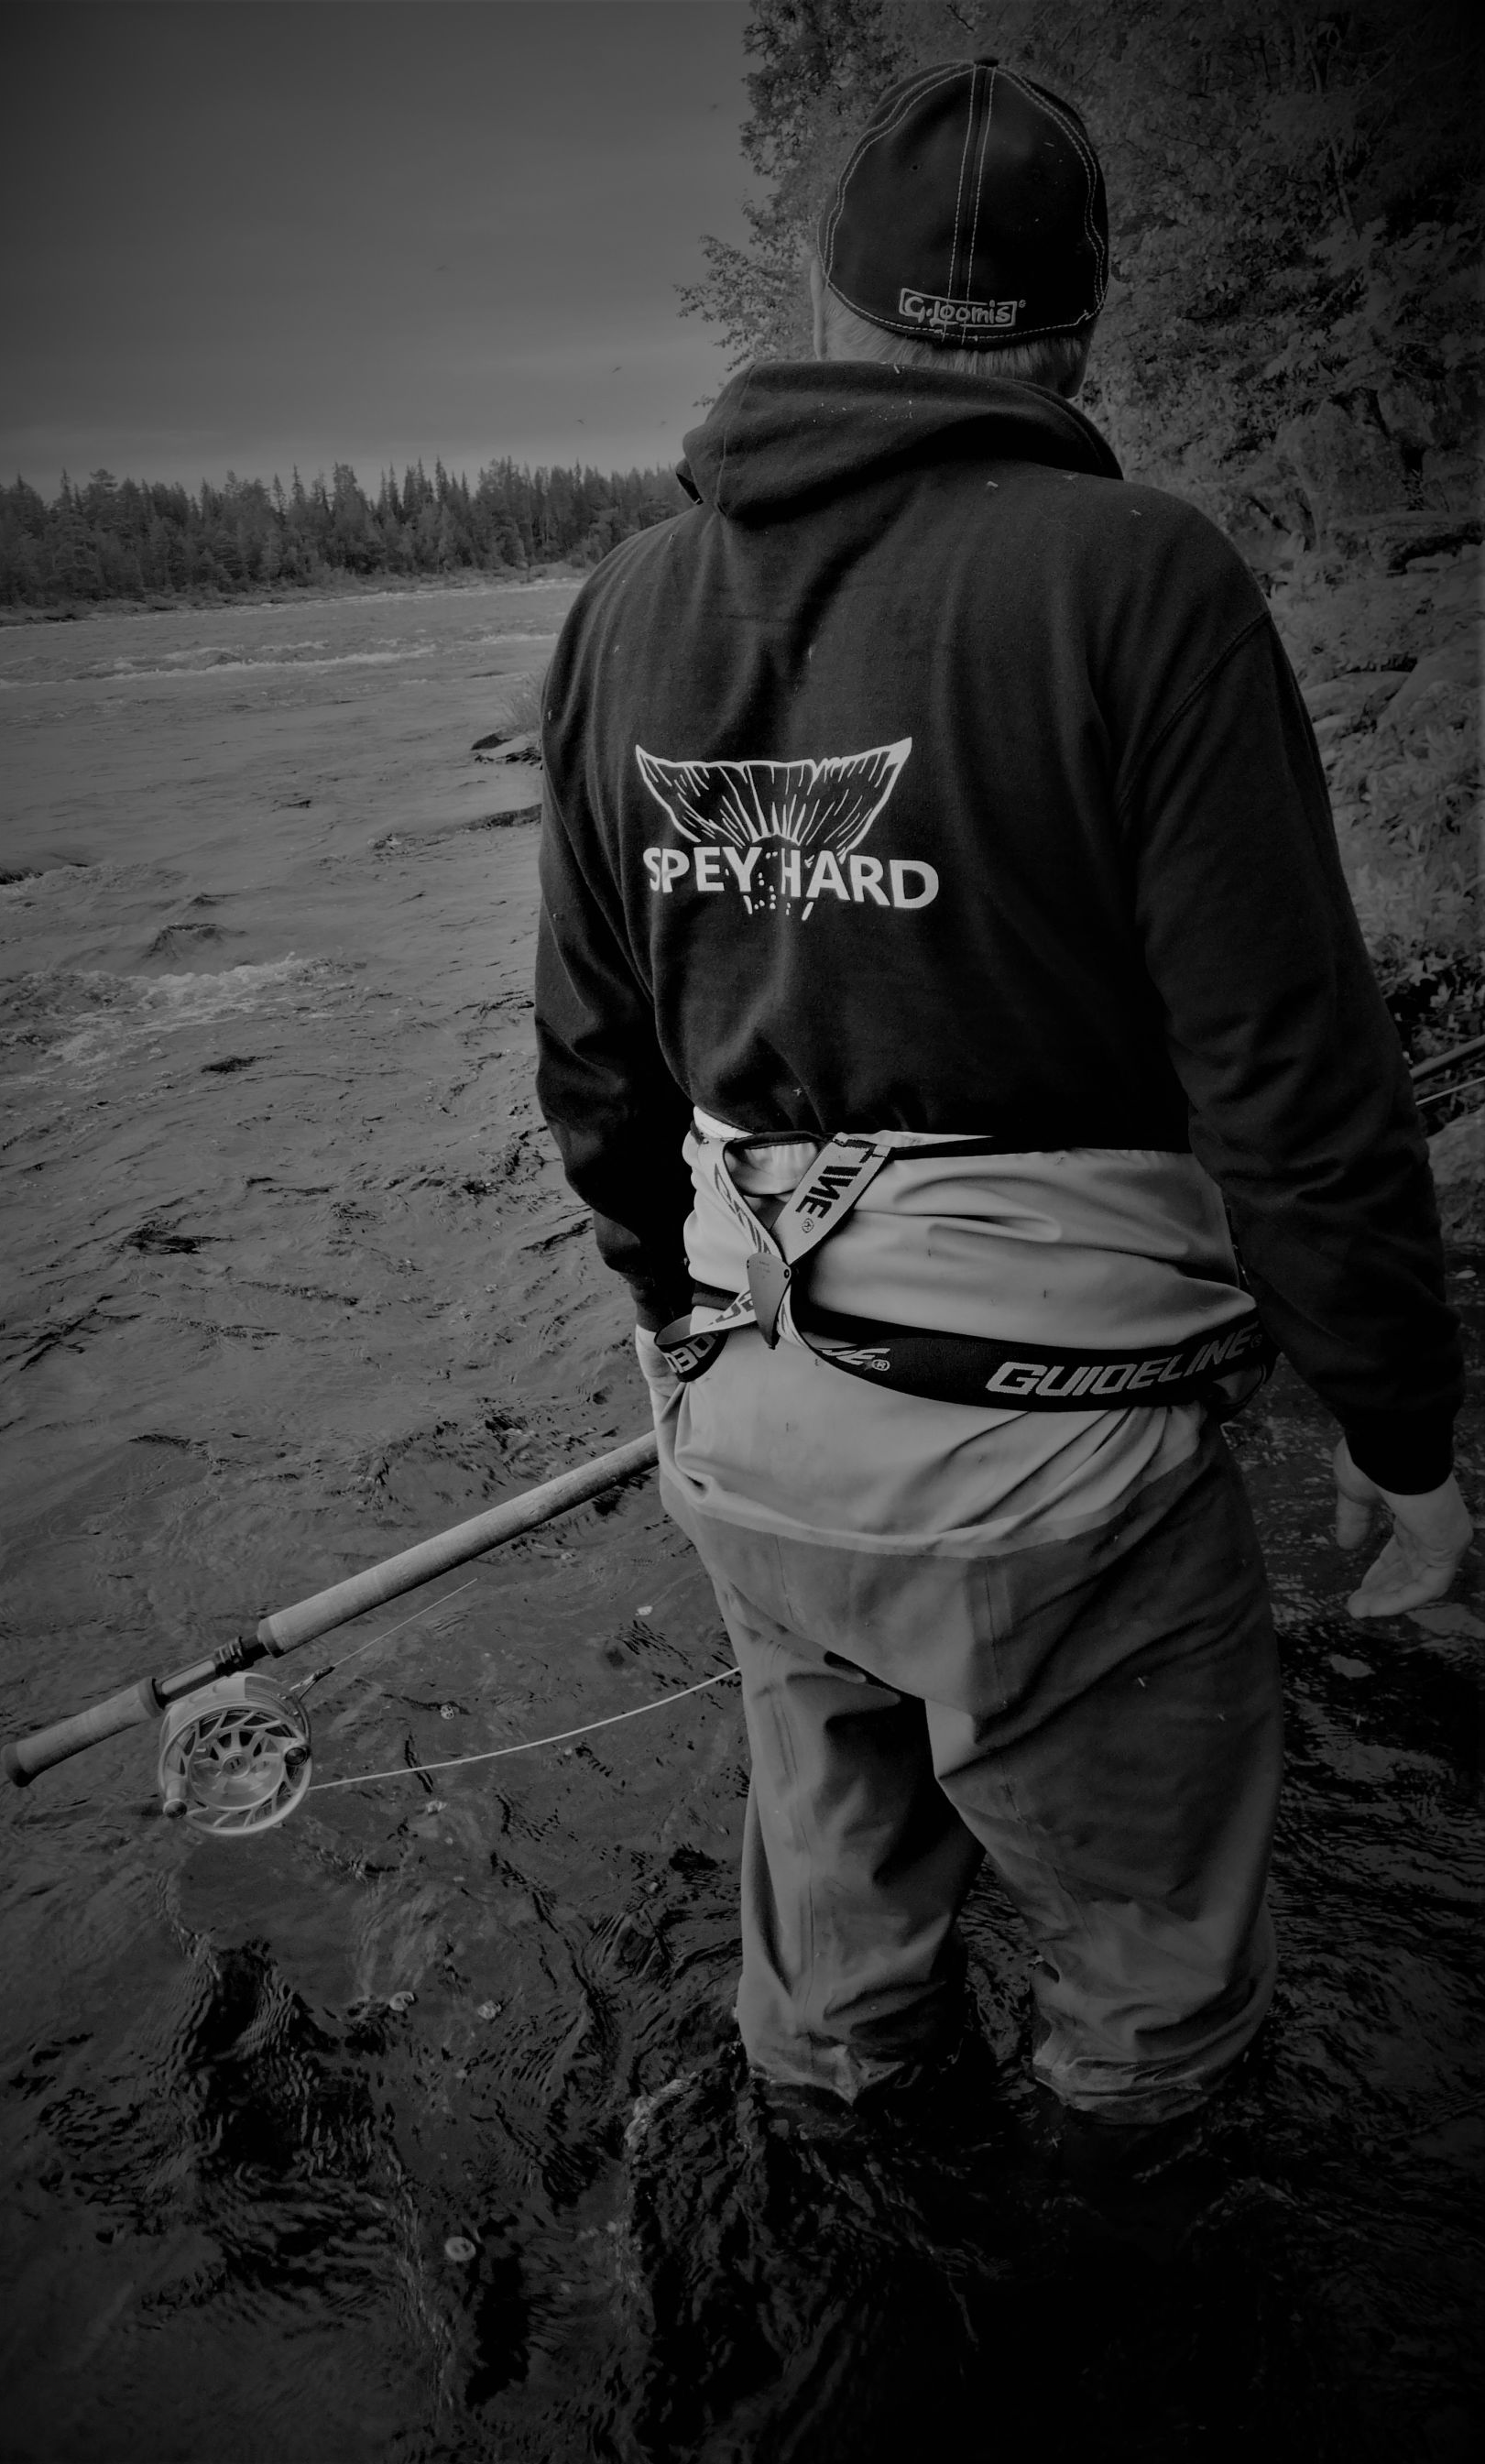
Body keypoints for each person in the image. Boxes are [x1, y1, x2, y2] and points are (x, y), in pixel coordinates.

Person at [533, 60, 1471, 2126]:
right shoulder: (1147, 580)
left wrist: (671, 1322)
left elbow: (593, 1066)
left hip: (755, 1442)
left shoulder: (621, 608)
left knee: (837, 1995)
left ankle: (845, 2193)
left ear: (815, 283)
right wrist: (1404, 1432)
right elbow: (1294, 1081)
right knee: (1160, 2012)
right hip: (1060, 1487)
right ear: (1086, 319)